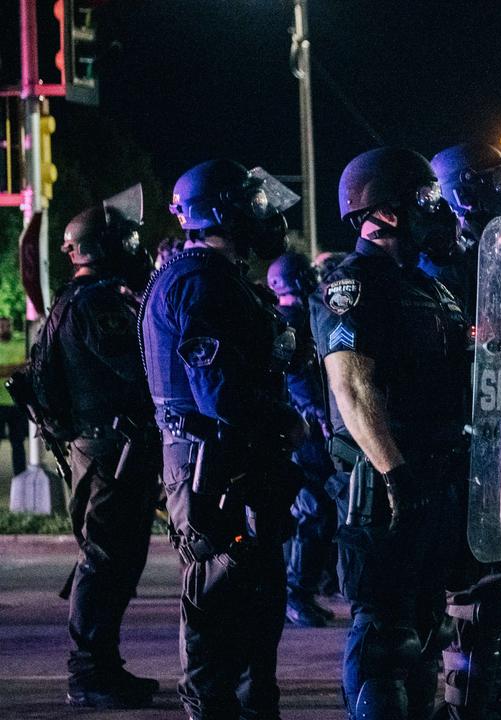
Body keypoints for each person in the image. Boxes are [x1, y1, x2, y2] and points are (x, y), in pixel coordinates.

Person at [312, 147, 476, 719]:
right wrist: (395, 472)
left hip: (436, 467)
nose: (438, 212)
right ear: (383, 212)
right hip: (384, 481)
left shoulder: (429, 285)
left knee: (427, 622)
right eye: (425, 201)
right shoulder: (353, 285)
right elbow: (351, 387)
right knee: (385, 629)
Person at [142, 160, 305, 720]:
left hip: (228, 459)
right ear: (226, 211)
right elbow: (220, 395)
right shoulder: (198, 280)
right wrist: (284, 421)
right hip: (213, 463)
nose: (265, 215)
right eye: (252, 204)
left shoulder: (216, 275)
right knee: (222, 601)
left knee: (254, 605)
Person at [39, 193, 160, 708]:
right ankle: (89, 672)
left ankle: (101, 666)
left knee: (114, 558)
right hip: (111, 448)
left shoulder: (87, 298)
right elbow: (140, 371)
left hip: (108, 446)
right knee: (106, 559)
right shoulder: (99, 304)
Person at [265, 251, 339, 629]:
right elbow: (296, 377)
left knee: (318, 511)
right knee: (315, 511)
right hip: (305, 431)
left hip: (306, 428)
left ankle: (303, 591)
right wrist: (321, 414)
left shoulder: (297, 319)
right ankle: (297, 593)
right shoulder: (290, 322)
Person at [0, 317, 27, 477]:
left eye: (6, 326)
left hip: (16, 402)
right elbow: (20, 369)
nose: (4, 329)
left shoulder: (20, 345)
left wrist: (8, 370)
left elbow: (26, 369)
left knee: (18, 443)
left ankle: (21, 476)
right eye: (1, 326)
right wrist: (17, 367)